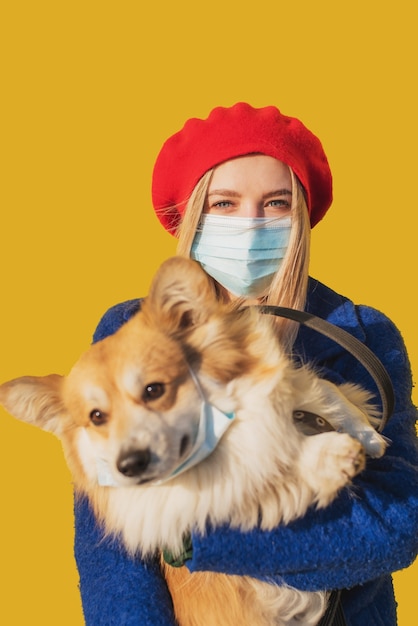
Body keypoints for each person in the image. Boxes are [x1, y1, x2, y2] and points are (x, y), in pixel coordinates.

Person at [74, 103, 418, 625]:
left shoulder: (361, 335)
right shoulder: (128, 331)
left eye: (275, 203)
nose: (250, 225)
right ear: (192, 216)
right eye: (225, 203)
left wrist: (199, 538)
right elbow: (110, 553)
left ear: (301, 217)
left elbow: (398, 522)